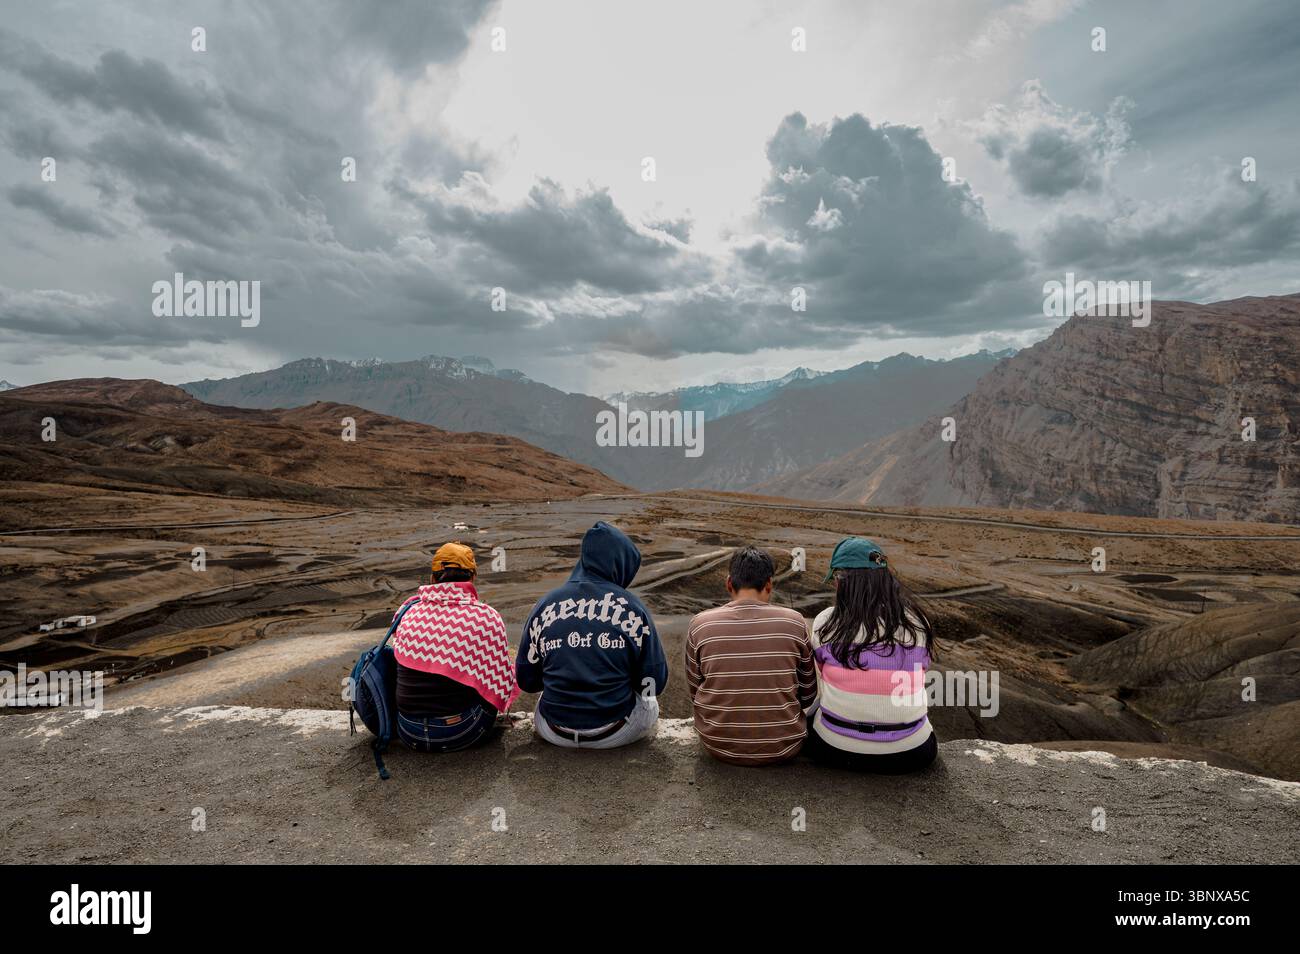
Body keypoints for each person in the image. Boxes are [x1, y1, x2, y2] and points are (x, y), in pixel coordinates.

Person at [517, 521, 668, 748]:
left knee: (546, 696)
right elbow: (653, 683)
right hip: (616, 731)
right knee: (650, 701)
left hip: (554, 730)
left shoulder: (545, 604)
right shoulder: (633, 607)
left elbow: (527, 681)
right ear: (620, 564)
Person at [803, 537, 939, 772]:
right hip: (912, 754)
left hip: (834, 750)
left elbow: (824, 673)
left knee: (814, 709)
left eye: (835, 579)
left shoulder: (825, 622)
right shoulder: (917, 623)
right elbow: (921, 669)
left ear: (840, 581)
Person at [685, 545, 817, 766]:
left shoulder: (700, 624)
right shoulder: (794, 621)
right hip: (785, 746)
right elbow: (808, 694)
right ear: (769, 585)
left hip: (717, 745)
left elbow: (695, 690)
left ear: (729, 583)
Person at [390, 542, 519, 753]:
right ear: (472, 578)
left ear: (433, 578)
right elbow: (501, 681)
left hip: (408, 730)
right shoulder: (486, 617)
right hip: (460, 731)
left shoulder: (407, 611)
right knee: (491, 682)